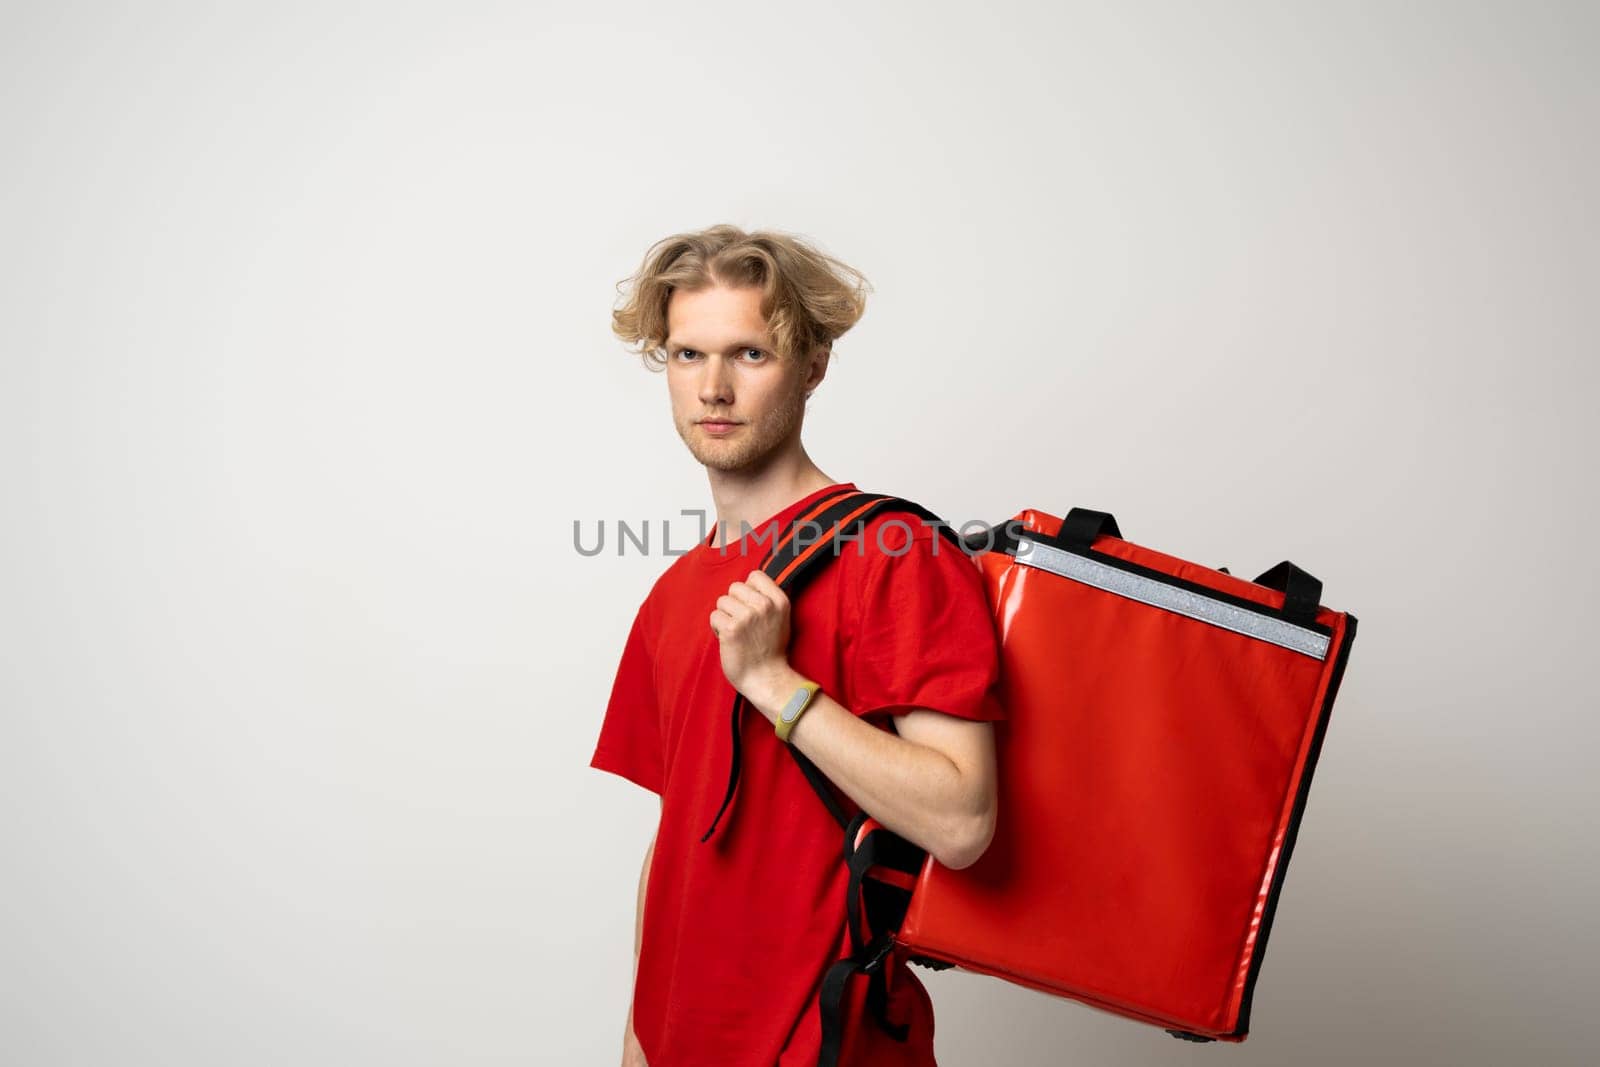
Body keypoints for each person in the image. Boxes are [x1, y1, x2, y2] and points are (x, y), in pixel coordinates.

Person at [588, 224, 1005, 1066]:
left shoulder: (897, 554)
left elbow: (964, 820)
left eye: (748, 354)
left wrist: (776, 683)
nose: (712, 387)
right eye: (685, 354)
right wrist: (639, 1044)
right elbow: (679, 841)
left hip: (829, 1042)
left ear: (811, 366)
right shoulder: (673, 595)